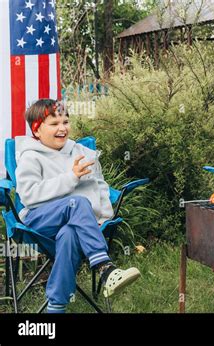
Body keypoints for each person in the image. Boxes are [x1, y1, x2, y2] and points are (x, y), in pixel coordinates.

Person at [15, 99, 141, 313]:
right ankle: (105, 267)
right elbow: (28, 195)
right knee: (77, 203)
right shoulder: (30, 157)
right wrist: (70, 178)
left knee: (69, 234)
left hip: (78, 223)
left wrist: (102, 216)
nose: (62, 128)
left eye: (65, 121)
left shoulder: (82, 152)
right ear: (37, 131)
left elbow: (100, 186)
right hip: (39, 220)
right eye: (54, 124)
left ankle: (55, 306)